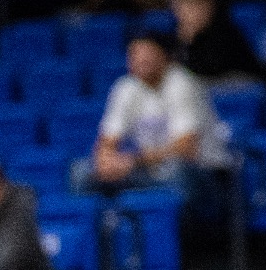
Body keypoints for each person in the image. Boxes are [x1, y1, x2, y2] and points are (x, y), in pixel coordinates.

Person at [75, 33, 228, 219]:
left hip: (205, 173)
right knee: (81, 171)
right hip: (150, 171)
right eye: (134, 55)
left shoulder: (182, 83)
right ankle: (106, 236)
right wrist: (105, 161)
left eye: (147, 54)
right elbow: (107, 141)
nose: (141, 60)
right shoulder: (125, 87)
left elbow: (186, 148)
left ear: (165, 56)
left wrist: (131, 161)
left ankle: (179, 239)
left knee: (176, 171)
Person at [170, 0, 262, 82]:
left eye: (195, 6)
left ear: (209, 6)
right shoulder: (177, 34)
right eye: (184, 7)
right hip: (205, 85)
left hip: (238, 82)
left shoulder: (224, 33)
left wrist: (191, 42)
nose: (190, 13)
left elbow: (211, 68)